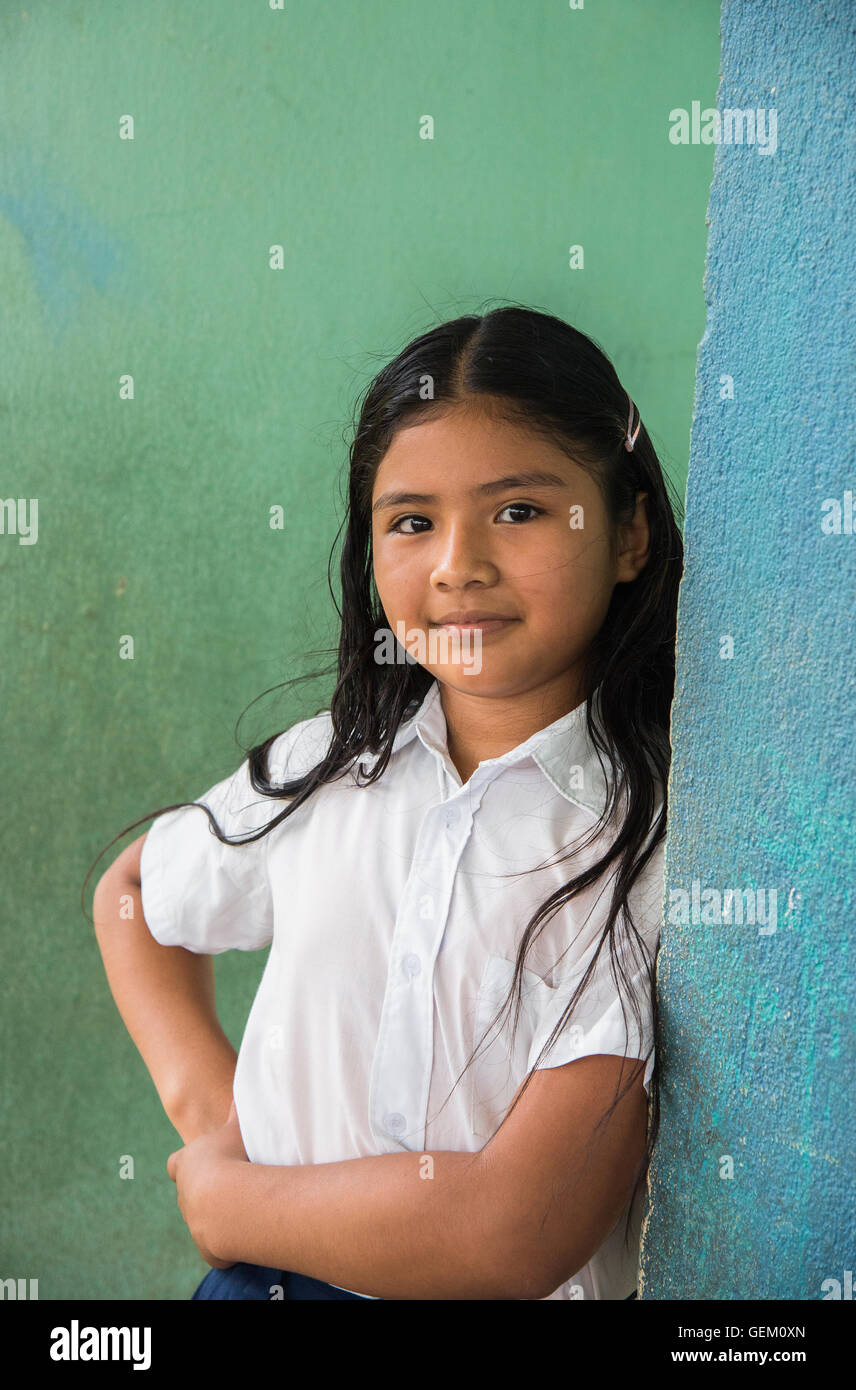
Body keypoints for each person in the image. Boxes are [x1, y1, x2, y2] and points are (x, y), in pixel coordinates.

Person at [89, 303, 684, 1300]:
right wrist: (215, 1122)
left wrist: (230, 1203)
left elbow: (512, 1232)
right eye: (411, 521)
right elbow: (132, 893)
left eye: (519, 510)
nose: (458, 563)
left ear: (627, 533)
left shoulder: (647, 838)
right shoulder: (330, 766)